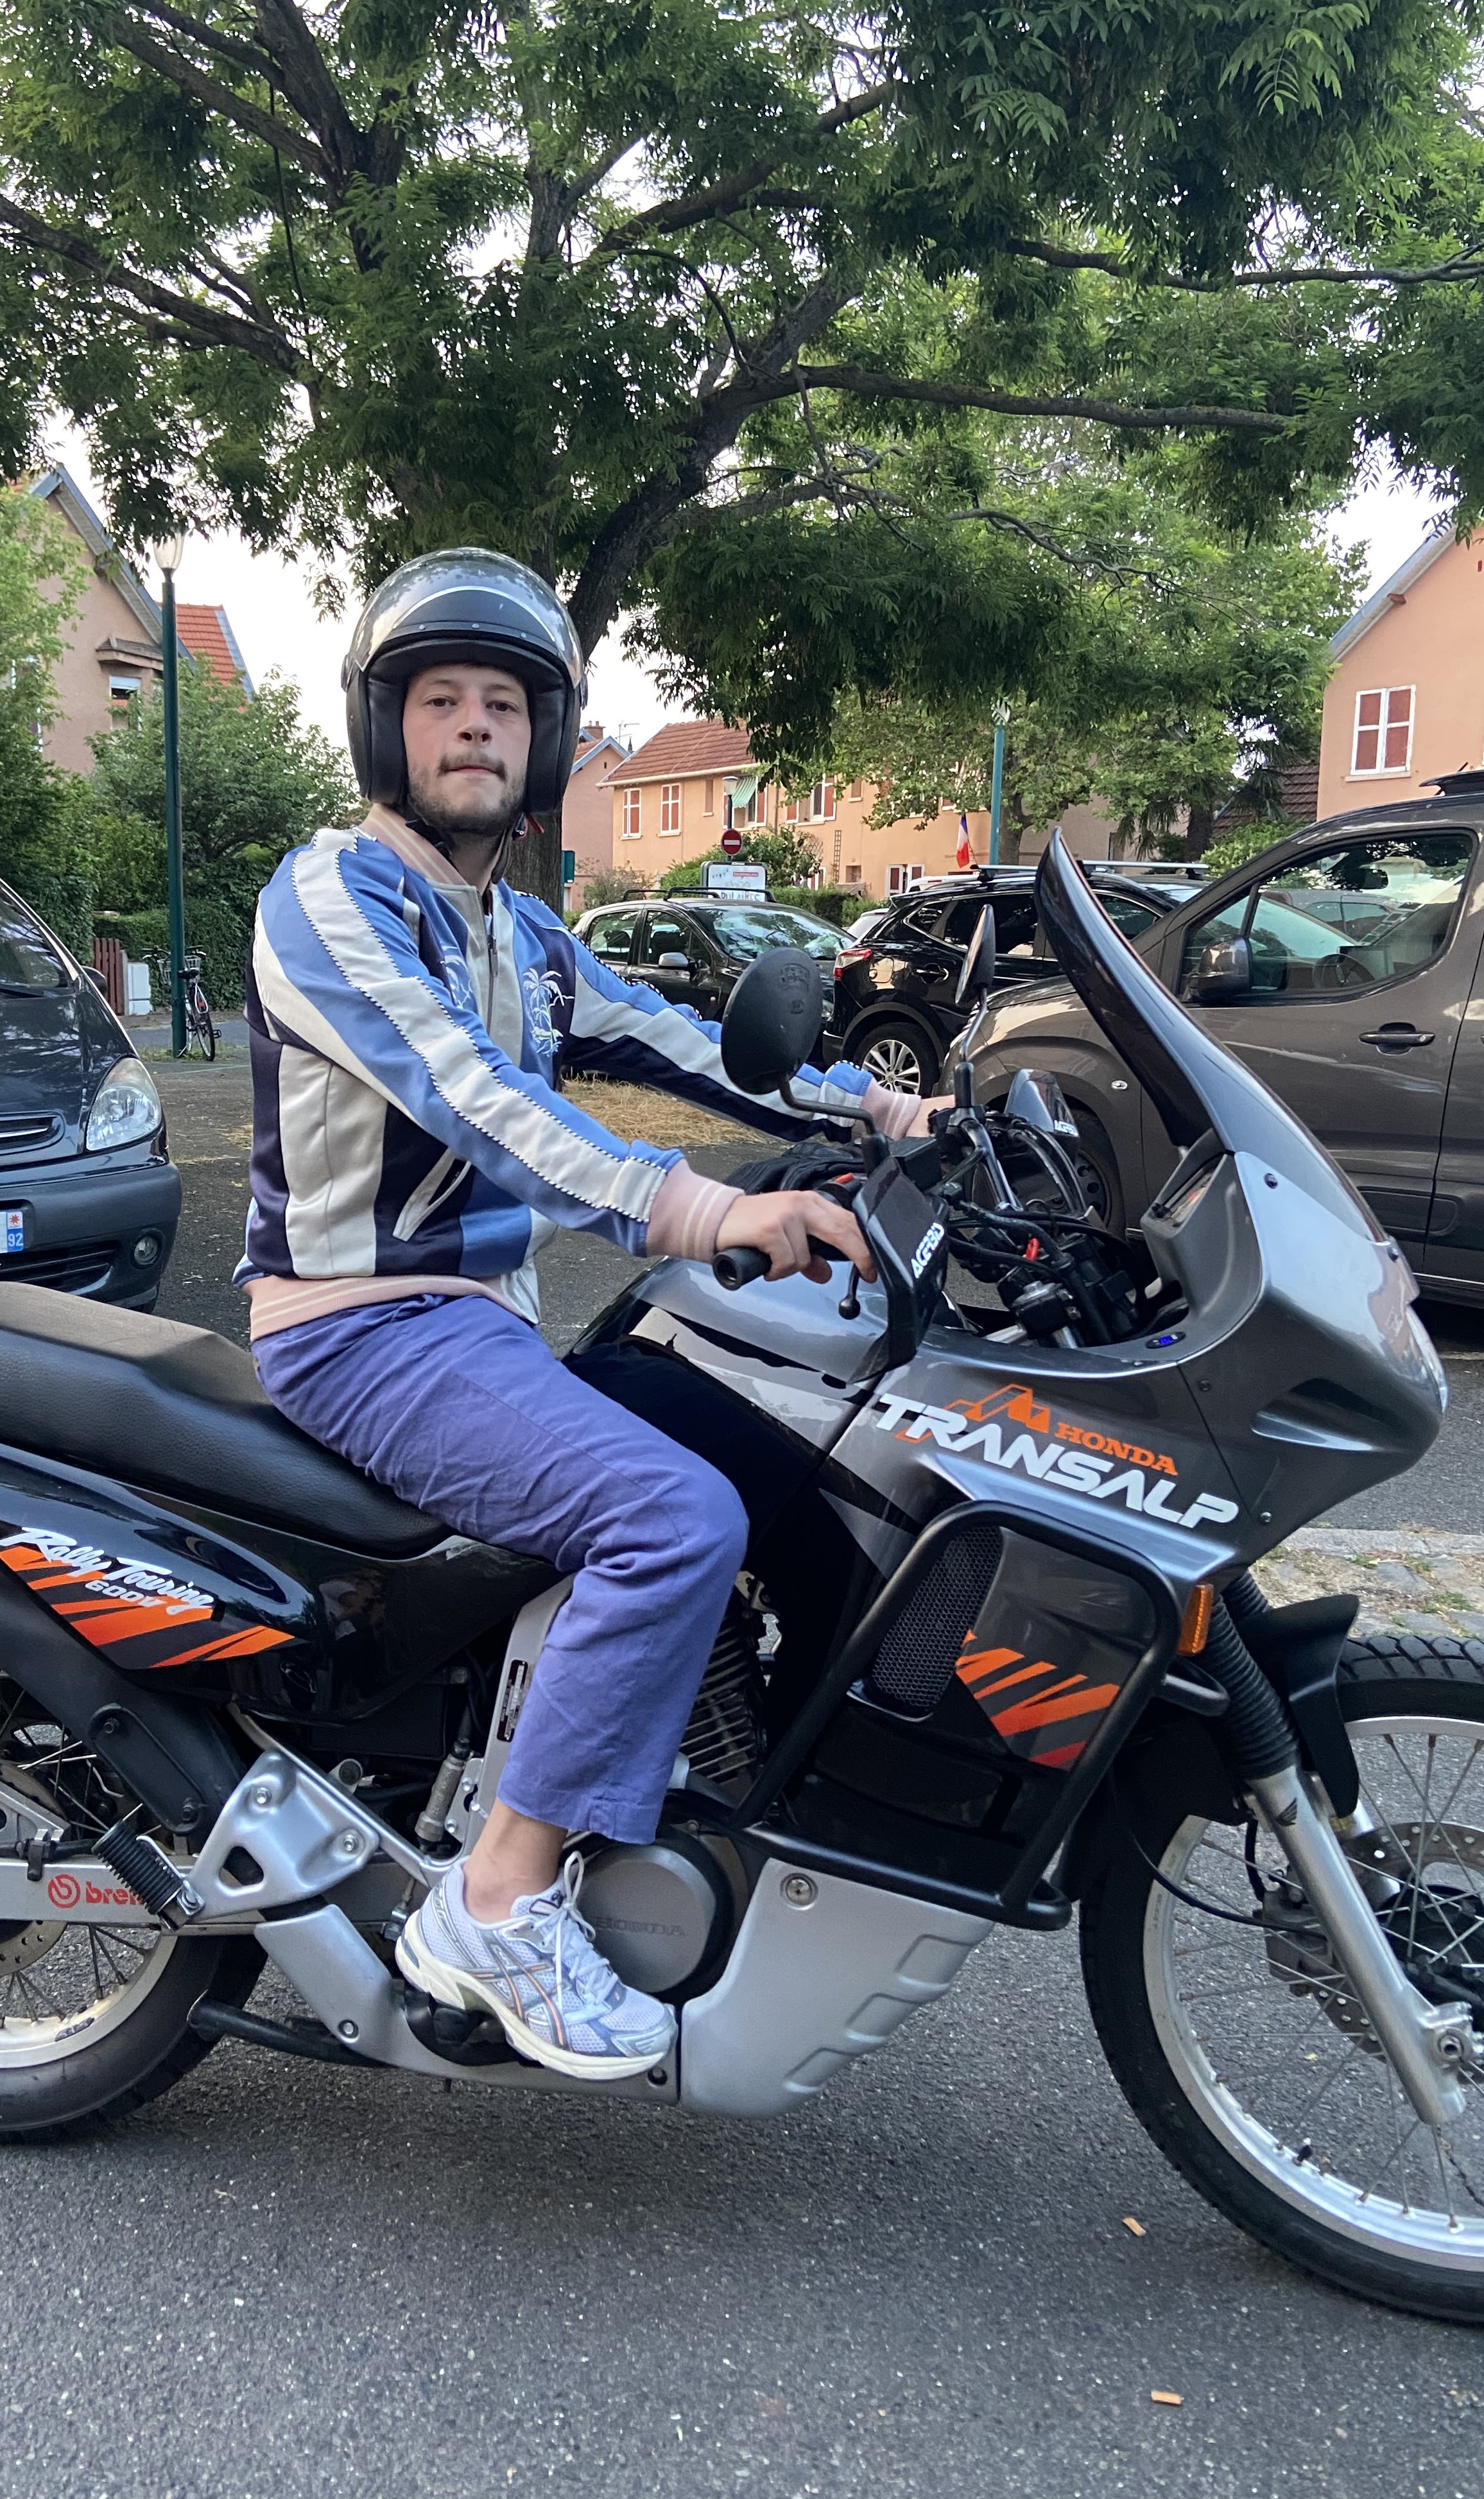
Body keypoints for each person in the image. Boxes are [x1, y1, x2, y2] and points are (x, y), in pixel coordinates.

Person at [241, 549, 944, 2080]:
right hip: (359, 1328)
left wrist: (899, 1117)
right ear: (384, 727)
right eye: (442, 700)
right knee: (671, 1519)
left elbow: (690, 1051)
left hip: (472, 1326)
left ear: (547, 738)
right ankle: (496, 1906)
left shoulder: (525, 934)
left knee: (768, 1443)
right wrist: (706, 1211)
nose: (474, 728)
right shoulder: (333, 897)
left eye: (504, 704)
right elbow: (476, 1102)